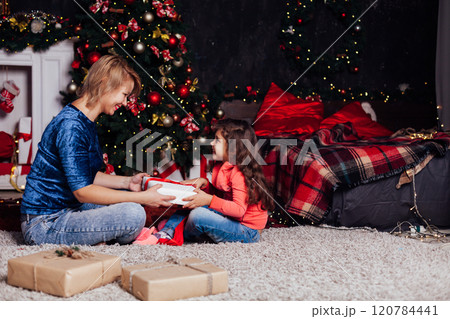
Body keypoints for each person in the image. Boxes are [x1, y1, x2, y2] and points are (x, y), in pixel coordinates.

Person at [20, 55, 175, 246]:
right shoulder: (71, 126)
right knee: (134, 213)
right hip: (44, 224)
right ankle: (111, 236)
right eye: (124, 95)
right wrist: (142, 197)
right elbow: (83, 191)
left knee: (124, 206)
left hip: (69, 208)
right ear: (105, 84)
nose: (125, 103)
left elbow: (85, 176)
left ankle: (102, 236)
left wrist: (128, 182)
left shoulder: (85, 119)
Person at [133, 118, 274, 245]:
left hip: (247, 231)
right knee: (191, 202)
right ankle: (168, 230)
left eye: (217, 140)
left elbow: (238, 211)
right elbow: (224, 196)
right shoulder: (223, 166)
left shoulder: (239, 173)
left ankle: (176, 232)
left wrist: (208, 200)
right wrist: (206, 185)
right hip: (232, 220)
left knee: (198, 215)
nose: (212, 142)